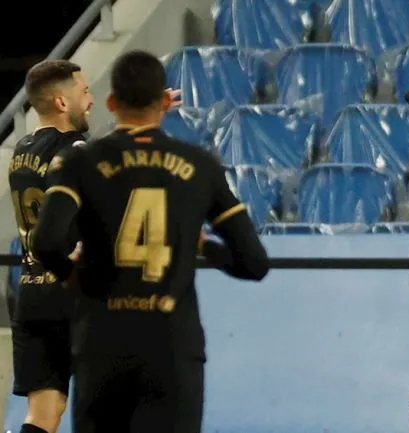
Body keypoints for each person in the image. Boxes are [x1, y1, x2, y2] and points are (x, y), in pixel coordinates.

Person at [30, 50, 270, 433]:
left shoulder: (79, 163)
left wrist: (70, 274)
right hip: (173, 351)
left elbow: (45, 242)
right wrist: (203, 245)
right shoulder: (201, 166)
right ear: (163, 102)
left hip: (101, 346)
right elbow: (254, 263)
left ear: (111, 103)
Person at [8, 59, 93, 433]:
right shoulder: (76, 150)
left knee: (44, 413)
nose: (90, 100)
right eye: (84, 92)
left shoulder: (21, 150)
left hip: (31, 293)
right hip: (74, 294)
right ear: (62, 102)